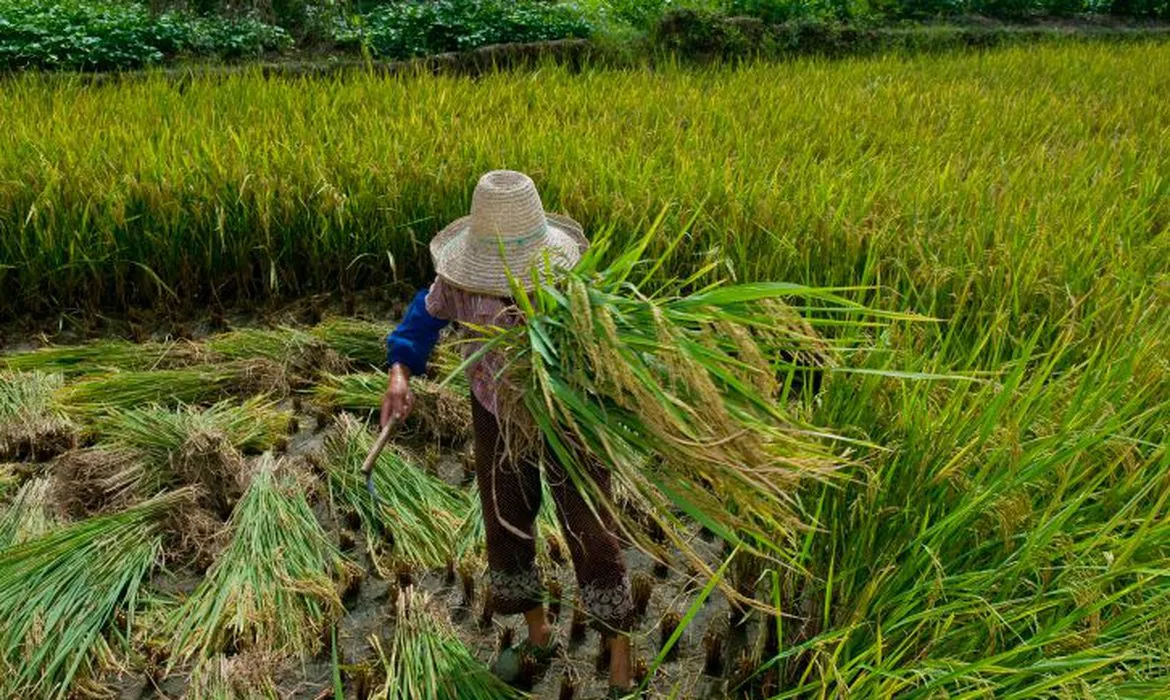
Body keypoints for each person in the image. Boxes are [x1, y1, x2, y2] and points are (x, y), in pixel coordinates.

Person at [381, 170, 634, 695]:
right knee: (506, 516)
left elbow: (609, 347)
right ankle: (538, 634)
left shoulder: (567, 284)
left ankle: (619, 651)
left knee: (590, 524)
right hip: (495, 412)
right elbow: (420, 320)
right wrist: (400, 374)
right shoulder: (458, 285)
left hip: (566, 414)